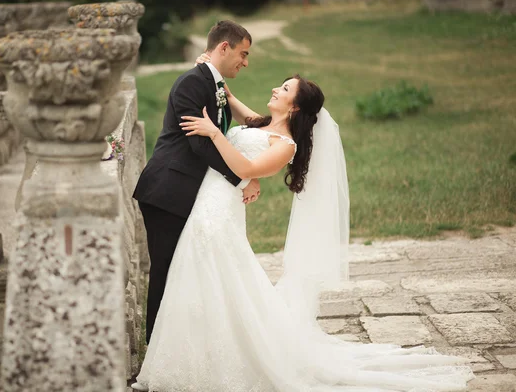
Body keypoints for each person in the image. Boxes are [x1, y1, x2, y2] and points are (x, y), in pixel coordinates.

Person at [132, 52, 475, 391]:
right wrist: (208, 68)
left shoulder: (286, 145)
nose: (275, 91)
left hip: (218, 212)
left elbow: (248, 170)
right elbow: (229, 98)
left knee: (212, 274)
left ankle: (211, 356)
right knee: (200, 277)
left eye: (284, 90)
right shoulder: (260, 124)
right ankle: (191, 352)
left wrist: (215, 133)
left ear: (294, 106)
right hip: (207, 203)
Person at [133, 20, 260, 350]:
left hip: (183, 192)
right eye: (243, 54)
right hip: (166, 191)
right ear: (224, 47)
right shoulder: (192, 82)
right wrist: (243, 178)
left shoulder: (213, 83)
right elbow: (199, 145)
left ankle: (179, 347)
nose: (245, 62)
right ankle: (155, 352)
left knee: (182, 271)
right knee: (165, 270)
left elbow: (230, 129)